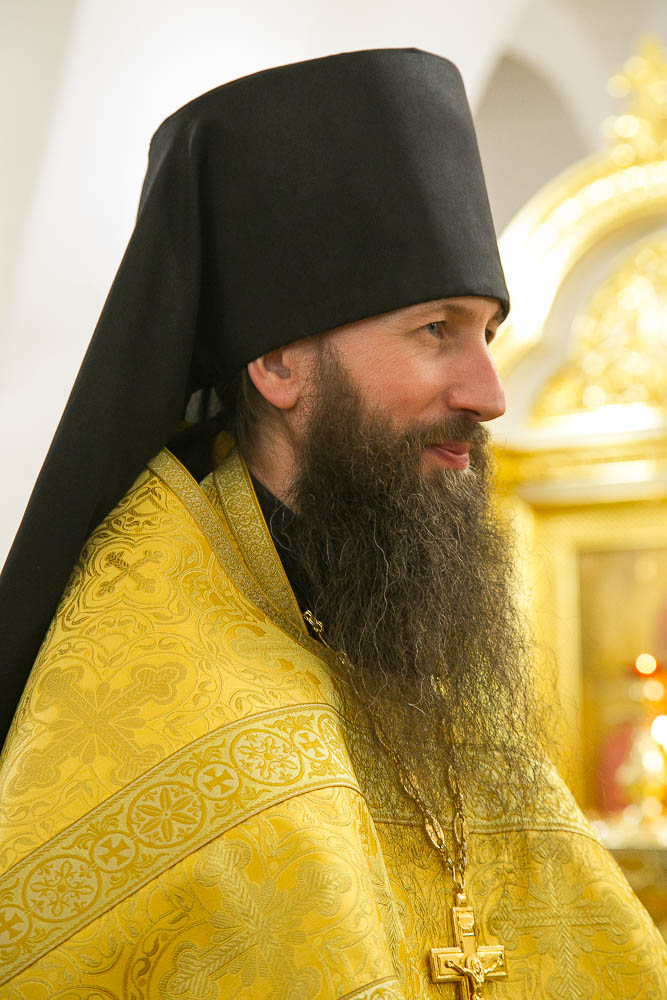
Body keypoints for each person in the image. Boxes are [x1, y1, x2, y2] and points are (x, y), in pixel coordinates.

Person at [0, 48, 665, 999]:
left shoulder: (407, 642)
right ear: (277, 364)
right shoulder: (156, 691)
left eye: (488, 334)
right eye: (435, 329)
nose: (489, 394)